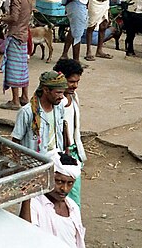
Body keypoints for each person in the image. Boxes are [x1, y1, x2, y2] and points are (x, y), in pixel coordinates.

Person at [19, 150, 86, 247]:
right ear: (47, 177)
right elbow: (25, 234)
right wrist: (27, 197)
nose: (64, 189)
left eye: (70, 183)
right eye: (59, 181)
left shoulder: (73, 207)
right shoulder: (33, 203)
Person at [0, 0, 33, 110]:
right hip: (24, 33)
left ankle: (15, 101)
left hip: (16, 34)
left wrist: (1, 18)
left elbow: (14, 17)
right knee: (23, 67)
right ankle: (24, 97)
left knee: (13, 68)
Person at [54, 58, 86, 206]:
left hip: (74, 152)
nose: (75, 86)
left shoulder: (73, 97)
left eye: (77, 82)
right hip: (62, 153)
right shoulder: (56, 103)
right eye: (71, 81)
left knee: (73, 196)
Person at [12, 70, 67, 152]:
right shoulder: (27, 112)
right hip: (35, 161)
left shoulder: (59, 107)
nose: (62, 97)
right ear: (46, 90)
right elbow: (16, 141)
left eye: (62, 93)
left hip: (56, 156)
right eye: (58, 93)